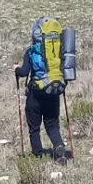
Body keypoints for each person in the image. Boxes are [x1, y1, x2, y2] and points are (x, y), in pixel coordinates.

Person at [14, 21, 68, 161]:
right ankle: (58, 146)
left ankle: (38, 155)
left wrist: (16, 69)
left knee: (34, 126)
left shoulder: (32, 50)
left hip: (36, 92)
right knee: (52, 123)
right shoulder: (59, 49)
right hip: (54, 89)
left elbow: (24, 72)